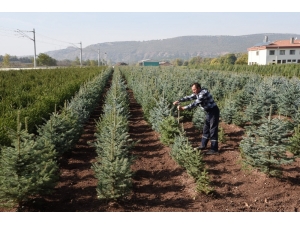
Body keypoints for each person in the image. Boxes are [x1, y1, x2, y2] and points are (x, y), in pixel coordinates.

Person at [173, 82, 220, 155]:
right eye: (192, 89)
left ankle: (214, 149)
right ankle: (203, 145)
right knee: (206, 128)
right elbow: (189, 97)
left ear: (198, 88)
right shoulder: (197, 93)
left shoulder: (203, 93)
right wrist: (179, 100)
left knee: (213, 130)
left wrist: (183, 108)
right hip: (209, 112)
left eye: (194, 89)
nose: (193, 91)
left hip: (213, 111)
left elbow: (195, 103)